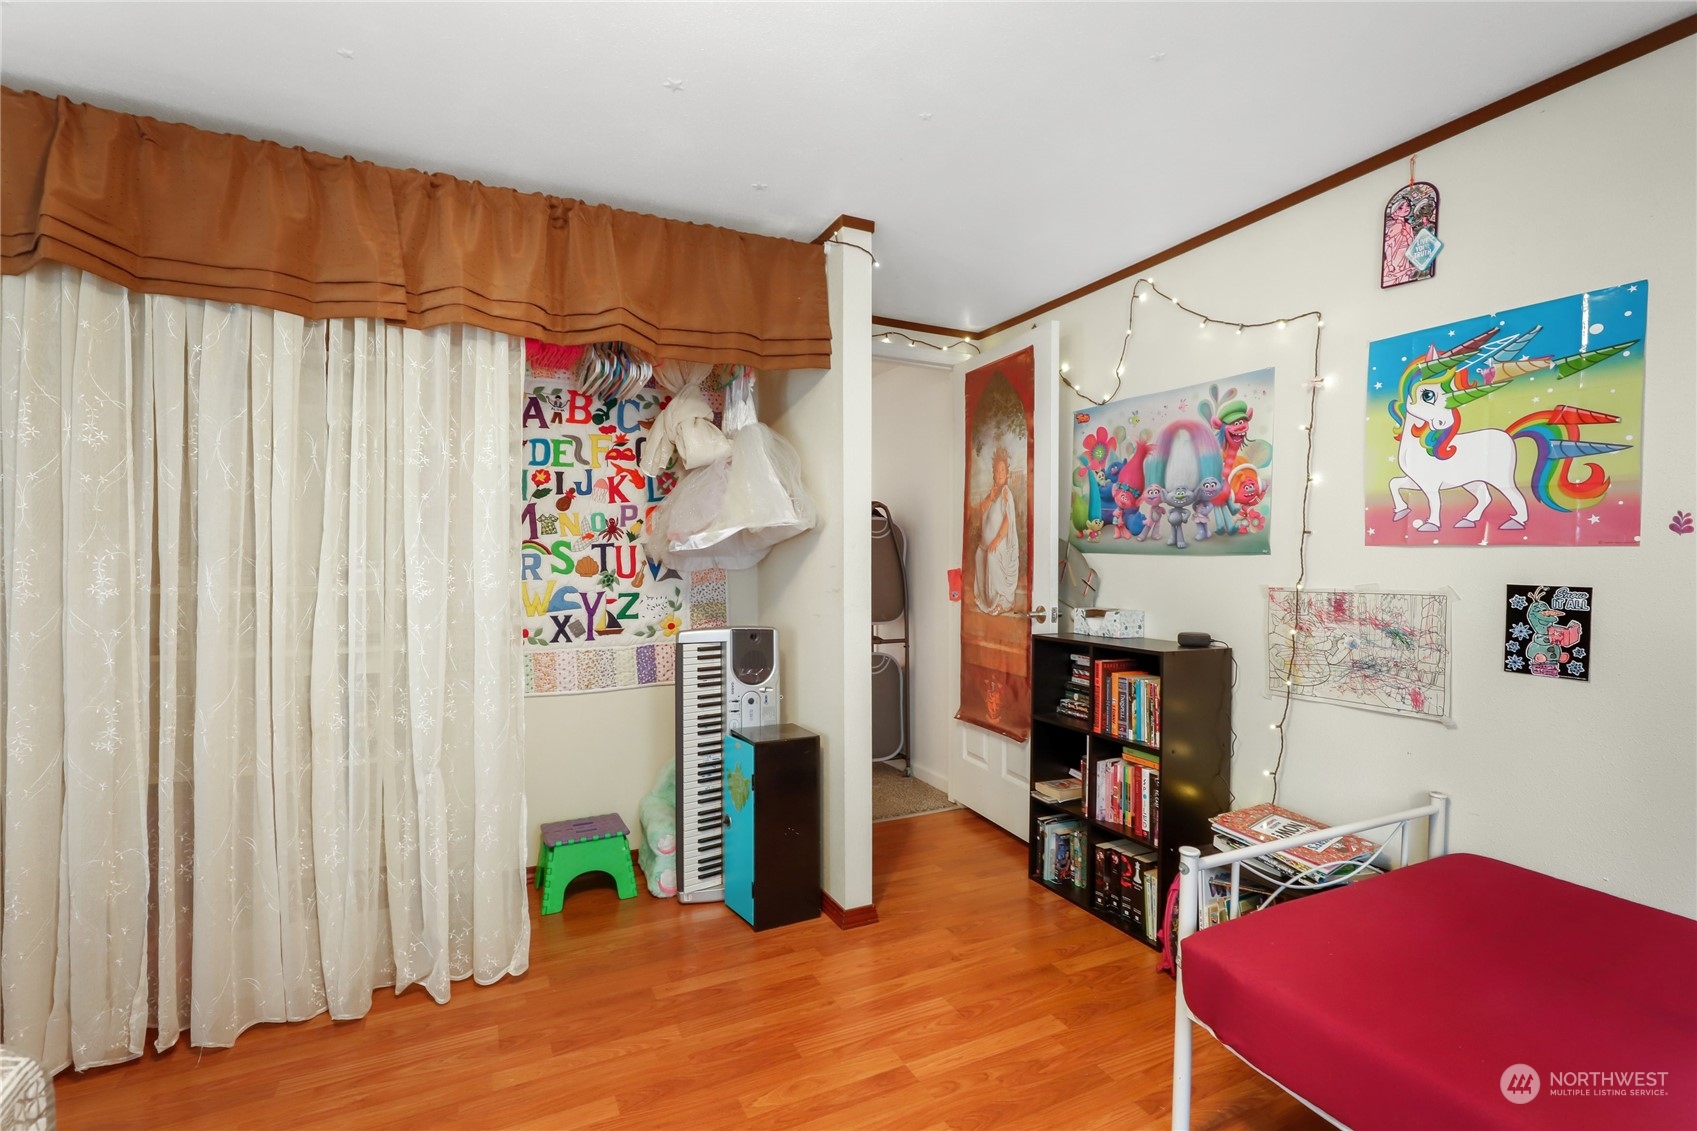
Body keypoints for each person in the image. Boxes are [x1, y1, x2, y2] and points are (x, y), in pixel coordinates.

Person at [974, 444, 1021, 615]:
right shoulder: (992, 493)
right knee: (979, 554)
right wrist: (990, 497)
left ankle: (1003, 601)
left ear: (1007, 473)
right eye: (997, 471)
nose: (1000, 474)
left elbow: (1009, 519)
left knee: (992, 554)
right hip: (987, 543)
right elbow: (980, 512)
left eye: (1002, 470)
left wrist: (997, 539)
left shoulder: (1006, 493)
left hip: (1002, 543)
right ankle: (986, 598)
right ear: (993, 474)